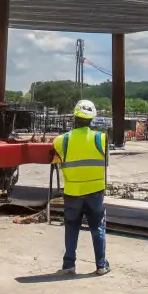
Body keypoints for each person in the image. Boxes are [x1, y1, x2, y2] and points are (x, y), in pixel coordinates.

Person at [52, 100, 110, 275]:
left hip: (72, 192)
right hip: (95, 192)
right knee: (97, 227)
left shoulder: (61, 141)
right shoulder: (101, 138)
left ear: (74, 118)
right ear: (92, 119)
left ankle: (69, 265)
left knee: (71, 227)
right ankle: (101, 265)